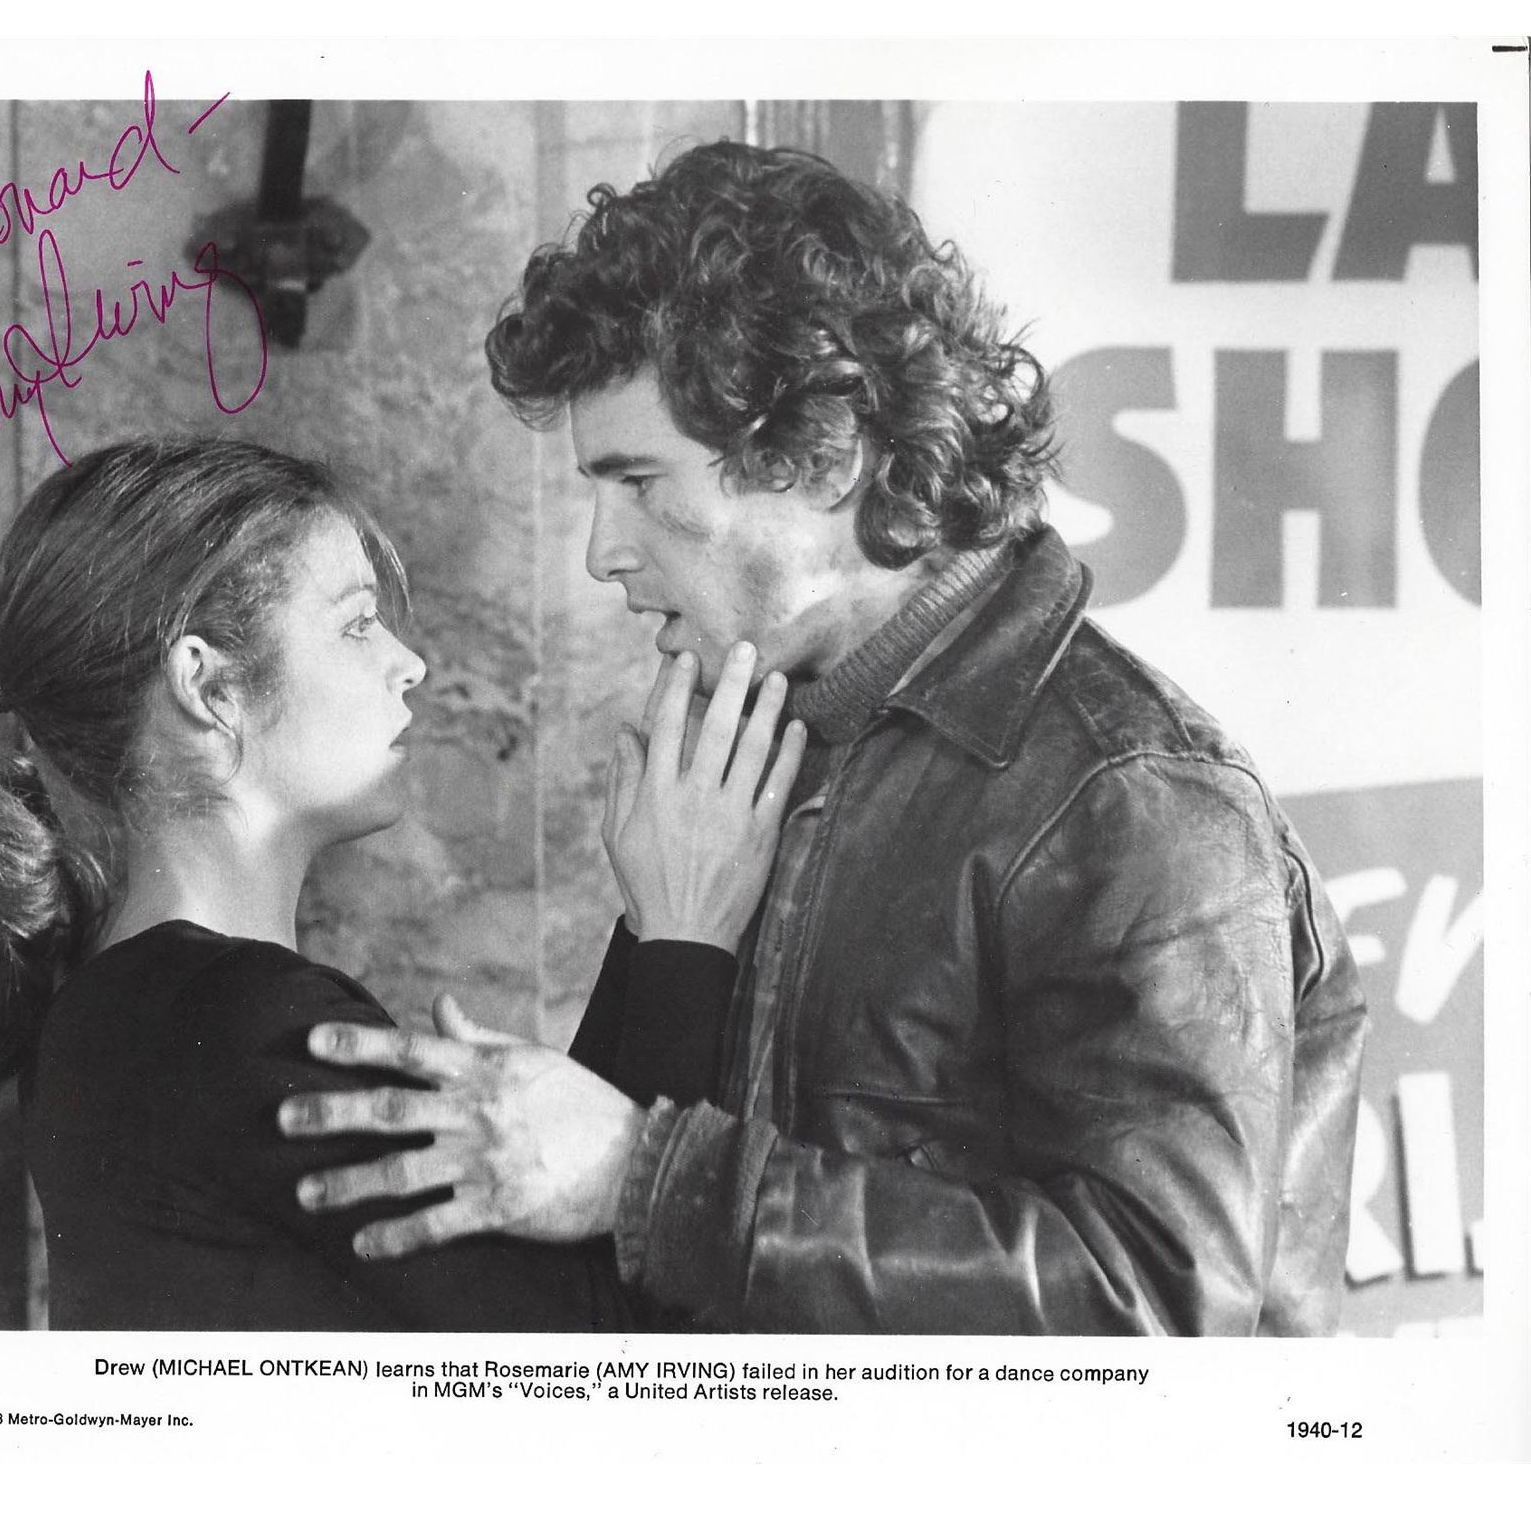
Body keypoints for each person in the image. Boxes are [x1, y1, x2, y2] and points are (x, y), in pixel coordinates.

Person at [277, 140, 1370, 1336]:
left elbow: (1161, 1306)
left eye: (639, 483)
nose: (601, 552)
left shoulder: (1130, 793)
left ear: (828, 458)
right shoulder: (776, 734)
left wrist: (651, 1179)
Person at [0, 436, 801, 1331]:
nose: (409, 664)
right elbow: (620, 1365)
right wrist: (684, 941)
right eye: (356, 624)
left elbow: (561, 1246)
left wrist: (650, 926)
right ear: (208, 687)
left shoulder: (129, 1009)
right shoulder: (241, 1024)